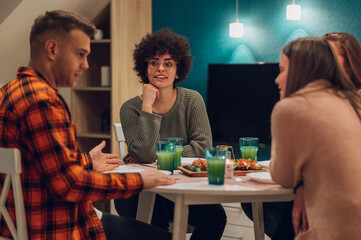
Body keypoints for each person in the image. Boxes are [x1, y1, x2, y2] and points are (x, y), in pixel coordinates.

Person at [0, 10, 175, 240]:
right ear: (52, 49)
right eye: (80, 54)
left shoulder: (9, 91)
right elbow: (69, 183)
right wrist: (140, 180)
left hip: (18, 224)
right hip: (57, 228)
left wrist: (87, 161)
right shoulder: (43, 102)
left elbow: (44, 162)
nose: (85, 65)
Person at [114, 28, 227, 240]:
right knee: (156, 216)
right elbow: (145, 155)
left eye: (168, 63)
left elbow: (203, 148)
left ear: (178, 70)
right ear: (145, 67)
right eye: (154, 62)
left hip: (180, 187)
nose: (160, 69)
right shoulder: (130, 108)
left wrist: (158, 154)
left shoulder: (192, 101)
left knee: (216, 216)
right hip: (139, 190)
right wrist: (147, 105)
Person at [270, 37, 361, 239]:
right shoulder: (352, 100)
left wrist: (300, 183)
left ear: (301, 70)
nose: (277, 79)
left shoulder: (290, 108)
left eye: (282, 70)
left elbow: (283, 176)